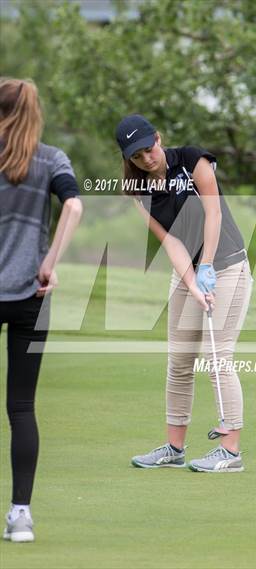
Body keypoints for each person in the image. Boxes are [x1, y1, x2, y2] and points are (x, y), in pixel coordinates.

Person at [115, 114, 253, 473]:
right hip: (188, 272)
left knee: (217, 357)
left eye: (150, 148)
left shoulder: (194, 161)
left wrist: (206, 266)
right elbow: (171, 242)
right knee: (179, 361)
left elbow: (213, 213)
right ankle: (174, 448)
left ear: (159, 138)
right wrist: (192, 282)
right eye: (138, 155)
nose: (147, 158)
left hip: (227, 267)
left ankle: (231, 451)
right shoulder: (138, 191)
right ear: (129, 159)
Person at [0, 78, 83, 542]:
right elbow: (74, 207)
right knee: (21, 407)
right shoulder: (52, 159)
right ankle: (20, 517)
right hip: (32, 300)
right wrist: (49, 264)